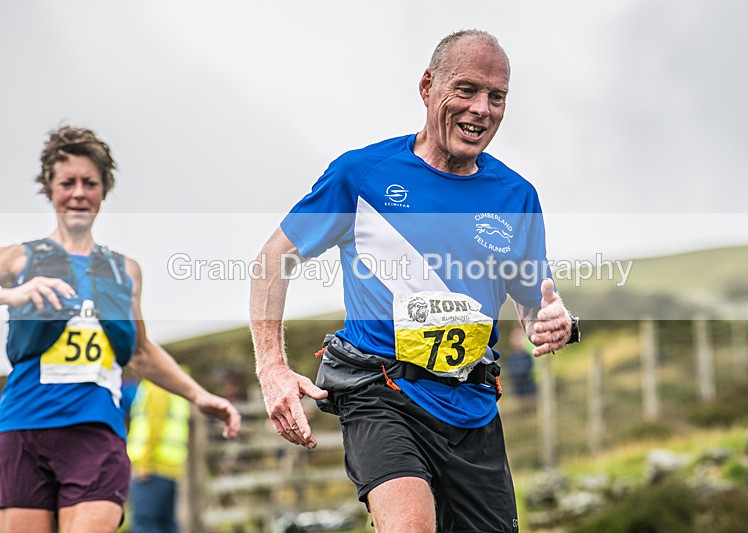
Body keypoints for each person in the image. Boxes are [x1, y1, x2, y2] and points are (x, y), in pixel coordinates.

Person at [250, 30, 579, 532]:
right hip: (379, 391)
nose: (481, 109)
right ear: (427, 86)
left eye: (497, 96)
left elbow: (535, 306)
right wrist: (271, 368)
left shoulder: (515, 196)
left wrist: (552, 321)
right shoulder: (363, 174)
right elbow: (273, 258)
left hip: (472, 407)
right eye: (466, 90)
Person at [0, 125, 241, 533]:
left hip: (95, 434)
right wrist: (14, 295)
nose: (78, 192)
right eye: (67, 183)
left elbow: (142, 352)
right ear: (48, 188)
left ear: (103, 190)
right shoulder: (18, 259)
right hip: (24, 430)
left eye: (89, 183)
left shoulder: (124, 270)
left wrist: (199, 395)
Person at [127, 378, 190, 533]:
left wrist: (144, 463)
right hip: (169, 467)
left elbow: (154, 425)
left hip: (152, 468)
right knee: (165, 524)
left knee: (144, 523)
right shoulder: (177, 385)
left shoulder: (157, 385)